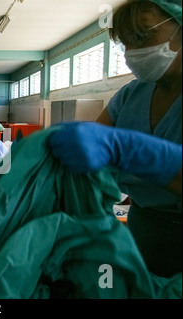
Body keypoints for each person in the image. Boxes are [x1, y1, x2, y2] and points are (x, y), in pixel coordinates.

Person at [49, 0, 182, 278]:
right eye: (125, 42)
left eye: (142, 36)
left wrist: (129, 151)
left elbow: (111, 145)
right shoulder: (131, 94)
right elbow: (94, 145)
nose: (132, 52)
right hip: (142, 228)